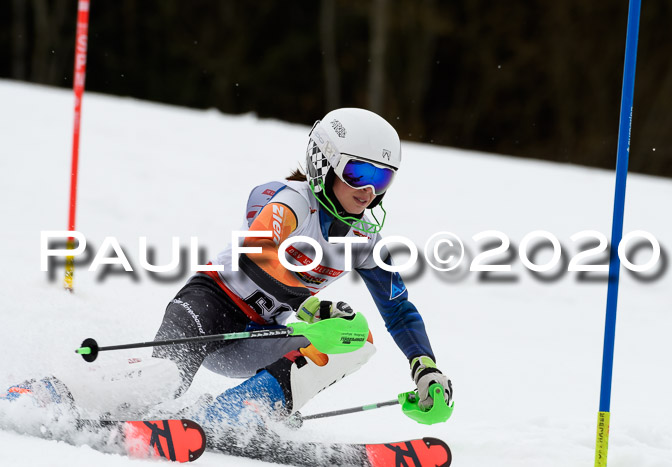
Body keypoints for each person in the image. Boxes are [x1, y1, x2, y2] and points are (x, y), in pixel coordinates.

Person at [3, 108, 453, 433]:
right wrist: (314, 307)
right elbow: (257, 257)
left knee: (358, 341)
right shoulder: (285, 199)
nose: (368, 193)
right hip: (208, 308)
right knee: (161, 384)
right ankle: (48, 392)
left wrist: (425, 368)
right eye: (358, 173)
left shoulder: (364, 240)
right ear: (324, 162)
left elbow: (399, 310)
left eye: (382, 180)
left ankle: (240, 416)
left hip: (256, 337)